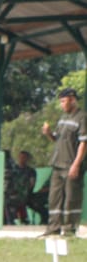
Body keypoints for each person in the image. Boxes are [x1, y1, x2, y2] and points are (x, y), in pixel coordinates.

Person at [41, 87, 86, 237]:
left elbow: (84, 143)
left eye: (63, 101)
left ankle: (69, 230)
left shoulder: (82, 117)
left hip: (71, 165)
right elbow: (58, 139)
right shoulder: (63, 118)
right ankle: (53, 228)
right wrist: (48, 134)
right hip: (57, 165)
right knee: (54, 198)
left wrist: (76, 164)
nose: (61, 105)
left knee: (71, 198)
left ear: (73, 100)